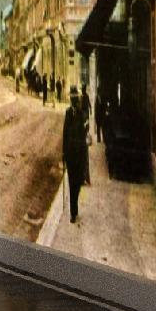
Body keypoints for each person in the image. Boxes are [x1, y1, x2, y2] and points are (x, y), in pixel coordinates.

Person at [63, 92, 89, 223]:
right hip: (70, 155)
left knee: (78, 183)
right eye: (72, 100)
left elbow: (84, 134)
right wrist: (63, 153)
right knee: (71, 182)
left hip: (79, 154)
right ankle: (73, 212)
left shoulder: (81, 114)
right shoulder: (68, 113)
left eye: (75, 100)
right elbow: (64, 134)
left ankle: (75, 204)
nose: (74, 102)